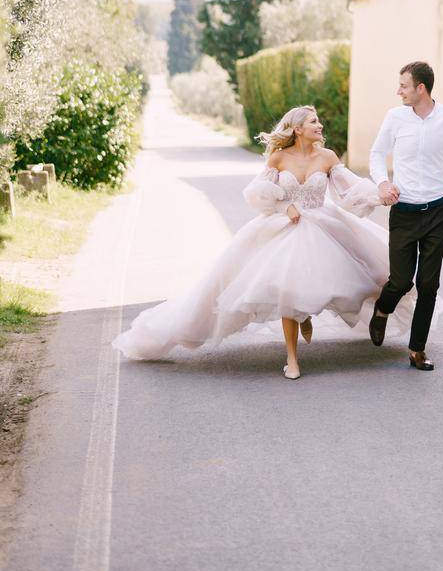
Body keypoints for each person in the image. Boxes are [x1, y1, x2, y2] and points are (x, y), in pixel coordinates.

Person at [114, 105, 421, 379]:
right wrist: (281, 206)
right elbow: (256, 192)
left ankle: (305, 315)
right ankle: (291, 358)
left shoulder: (327, 157)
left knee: (357, 277)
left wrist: (380, 194)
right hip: (285, 225)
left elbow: (349, 189)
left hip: (322, 225)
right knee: (285, 285)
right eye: (314, 122)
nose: (320, 126)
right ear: (298, 128)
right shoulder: (279, 157)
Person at [368, 60, 443, 371]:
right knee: (401, 281)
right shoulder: (395, 118)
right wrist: (383, 182)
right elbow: (377, 153)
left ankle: (417, 349)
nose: (397, 91)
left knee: (429, 284)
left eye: (403, 85)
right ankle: (382, 309)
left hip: (436, 212)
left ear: (421, 88)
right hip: (403, 211)